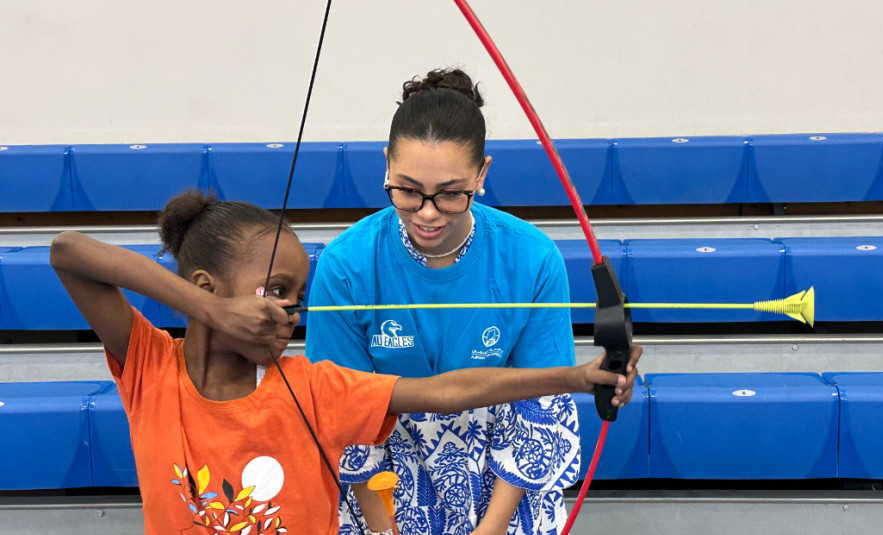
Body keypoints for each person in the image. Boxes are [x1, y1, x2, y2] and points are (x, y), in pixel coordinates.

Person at [49, 190, 641, 535]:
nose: (289, 312)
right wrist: (210, 311)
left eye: (296, 298)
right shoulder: (151, 367)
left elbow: (444, 391)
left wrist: (575, 376)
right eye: (274, 291)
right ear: (205, 286)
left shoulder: (312, 386)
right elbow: (67, 251)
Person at [305, 68, 640, 535]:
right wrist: (384, 529)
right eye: (407, 190)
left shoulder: (532, 257)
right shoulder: (346, 264)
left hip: (501, 477)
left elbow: (538, 408)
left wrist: (490, 529)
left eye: (449, 194)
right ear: (386, 165)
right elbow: (341, 414)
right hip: (381, 480)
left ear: (482, 173)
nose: (427, 213)